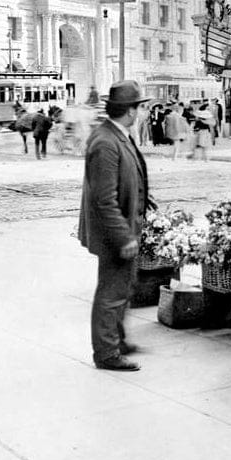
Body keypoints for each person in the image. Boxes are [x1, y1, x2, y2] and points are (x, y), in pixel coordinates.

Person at [77, 80, 152, 372]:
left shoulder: (115, 135)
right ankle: (107, 353)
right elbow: (104, 199)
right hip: (115, 231)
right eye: (140, 108)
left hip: (124, 226)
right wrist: (123, 237)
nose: (141, 114)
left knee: (123, 286)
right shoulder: (106, 142)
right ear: (131, 112)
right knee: (111, 292)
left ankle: (117, 339)